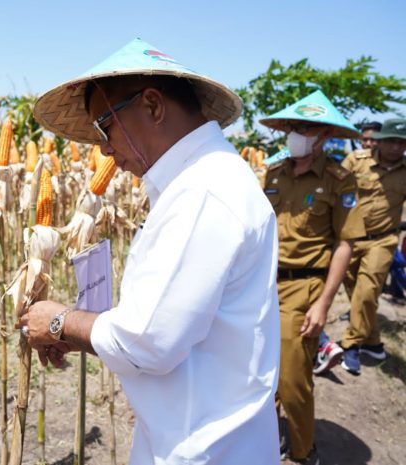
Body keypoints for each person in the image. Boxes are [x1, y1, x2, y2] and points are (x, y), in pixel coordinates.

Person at [19, 38, 281, 465]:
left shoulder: (203, 193)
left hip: (203, 447)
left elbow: (149, 341)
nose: (104, 149)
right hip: (195, 431)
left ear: (153, 106)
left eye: (104, 128)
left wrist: (60, 321)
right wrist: (78, 335)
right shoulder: (204, 181)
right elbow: (172, 324)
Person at [259, 90, 366, 463]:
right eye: (292, 128)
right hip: (262, 284)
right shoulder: (273, 174)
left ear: (322, 137)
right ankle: (267, 441)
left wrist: (323, 304)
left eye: (304, 129)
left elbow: (345, 244)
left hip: (305, 288)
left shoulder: (339, 181)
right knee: (260, 376)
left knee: (291, 380)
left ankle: (304, 451)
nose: (295, 135)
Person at [336, 119, 406, 374]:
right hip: (350, 239)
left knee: (367, 293)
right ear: (380, 140)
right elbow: (336, 189)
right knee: (358, 295)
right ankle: (373, 342)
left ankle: (351, 345)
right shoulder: (357, 161)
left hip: (383, 240)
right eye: (391, 141)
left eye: (401, 142)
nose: (396, 147)